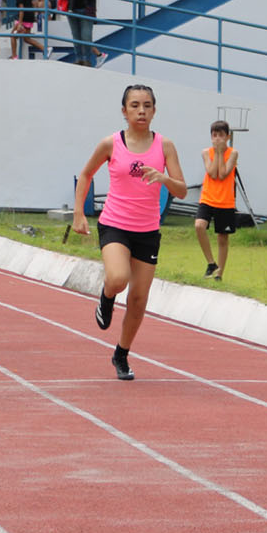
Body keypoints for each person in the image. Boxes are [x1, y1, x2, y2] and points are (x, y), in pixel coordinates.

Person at [72, 85, 188, 380]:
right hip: (115, 224)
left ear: (154, 110)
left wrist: (164, 177)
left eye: (147, 105)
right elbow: (86, 174)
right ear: (124, 111)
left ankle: (121, 354)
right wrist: (78, 214)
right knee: (118, 278)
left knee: (138, 299)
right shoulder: (111, 143)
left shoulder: (165, 146)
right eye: (135, 105)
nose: (141, 111)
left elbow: (183, 190)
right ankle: (106, 296)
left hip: (147, 230)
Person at [195, 120, 238, 280]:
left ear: (227, 136)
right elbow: (212, 174)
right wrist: (216, 153)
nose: (217, 138)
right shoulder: (206, 152)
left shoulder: (233, 153)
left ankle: (219, 273)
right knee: (199, 226)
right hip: (208, 197)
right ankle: (211, 262)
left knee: (222, 237)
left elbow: (223, 174)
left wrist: (220, 153)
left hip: (225, 200)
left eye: (221, 135)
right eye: (214, 135)